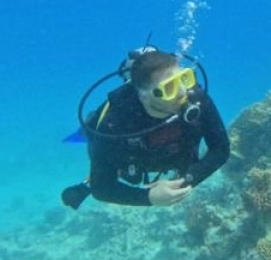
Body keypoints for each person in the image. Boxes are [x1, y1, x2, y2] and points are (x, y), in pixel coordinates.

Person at [62, 48, 231, 208]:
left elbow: (221, 148)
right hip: (132, 160)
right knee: (94, 133)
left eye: (184, 78)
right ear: (143, 96)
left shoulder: (196, 98)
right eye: (169, 87)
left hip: (176, 156)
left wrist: (188, 179)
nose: (182, 92)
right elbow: (101, 189)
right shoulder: (114, 123)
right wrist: (149, 197)